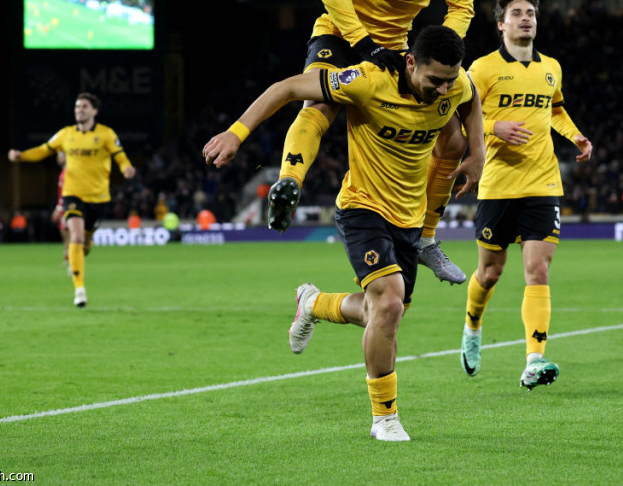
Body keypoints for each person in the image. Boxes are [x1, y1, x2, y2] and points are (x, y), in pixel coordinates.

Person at [203, 25, 484, 442]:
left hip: (408, 218)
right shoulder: (366, 81)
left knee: (381, 313)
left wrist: (478, 152)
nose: (444, 90)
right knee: (389, 302)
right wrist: (236, 133)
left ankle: (313, 303)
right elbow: (286, 88)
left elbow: (471, 97)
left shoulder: (454, 84)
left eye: (449, 80)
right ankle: (384, 418)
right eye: (435, 81)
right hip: (361, 207)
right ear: (410, 63)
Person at [266, 0, 479, 285]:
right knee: (319, 105)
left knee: (454, 141)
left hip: (396, 48)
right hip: (341, 33)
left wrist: (443, 48)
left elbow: (462, 7)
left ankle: (425, 238)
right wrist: (363, 43)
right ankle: (289, 183)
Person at [458, 0, 593, 390]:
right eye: (516, 13)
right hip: (498, 184)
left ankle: (534, 360)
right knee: (490, 272)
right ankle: (472, 324)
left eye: (530, 12)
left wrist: (576, 135)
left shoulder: (551, 67)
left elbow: (555, 109)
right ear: (501, 24)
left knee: (538, 269)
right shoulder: (481, 69)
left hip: (542, 182)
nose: (526, 18)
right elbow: (454, 117)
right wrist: (493, 126)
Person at [8, 92, 136, 306]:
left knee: (84, 244)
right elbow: (43, 150)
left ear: (94, 111)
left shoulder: (106, 134)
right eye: (77, 107)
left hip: (98, 197)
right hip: (72, 193)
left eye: (84, 106)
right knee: (75, 236)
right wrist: (22, 156)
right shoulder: (65, 134)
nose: (79, 110)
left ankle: (81, 254)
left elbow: (120, 156)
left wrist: (126, 168)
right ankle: (80, 290)